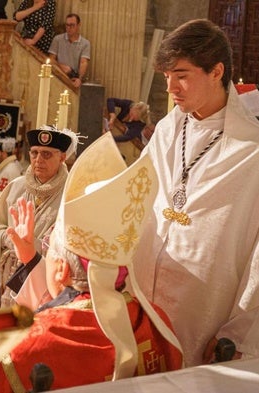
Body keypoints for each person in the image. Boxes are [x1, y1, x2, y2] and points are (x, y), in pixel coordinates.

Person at [0, 137, 183, 392]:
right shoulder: (156, 321)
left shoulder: (30, 342)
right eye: (35, 153)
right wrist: (30, 256)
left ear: (61, 269)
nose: (39, 159)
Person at [133, 19, 259, 367]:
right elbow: (133, 197)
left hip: (206, 317)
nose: (171, 87)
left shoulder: (253, 152)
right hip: (144, 307)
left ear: (217, 71)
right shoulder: (166, 131)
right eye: (166, 76)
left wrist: (239, 332)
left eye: (182, 75)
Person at [0, 126, 77, 306]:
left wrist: (32, 245)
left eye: (46, 154)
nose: (38, 160)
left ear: (62, 157)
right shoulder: (17, 186)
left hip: (44, 279)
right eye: (34, 153)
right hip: (7, 275)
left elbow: (73, 247)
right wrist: (8, 238)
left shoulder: (72, 193)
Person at [48, 13, 91, 89]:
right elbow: (51, 59)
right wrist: (61, 66)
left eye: (72, 25)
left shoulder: (85, 43)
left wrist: (79, 79)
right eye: (67, 25)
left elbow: (83, 62)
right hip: (58, 75)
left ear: (78, 25)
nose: (69, 28)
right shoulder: (57, 39)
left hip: (73, 77)